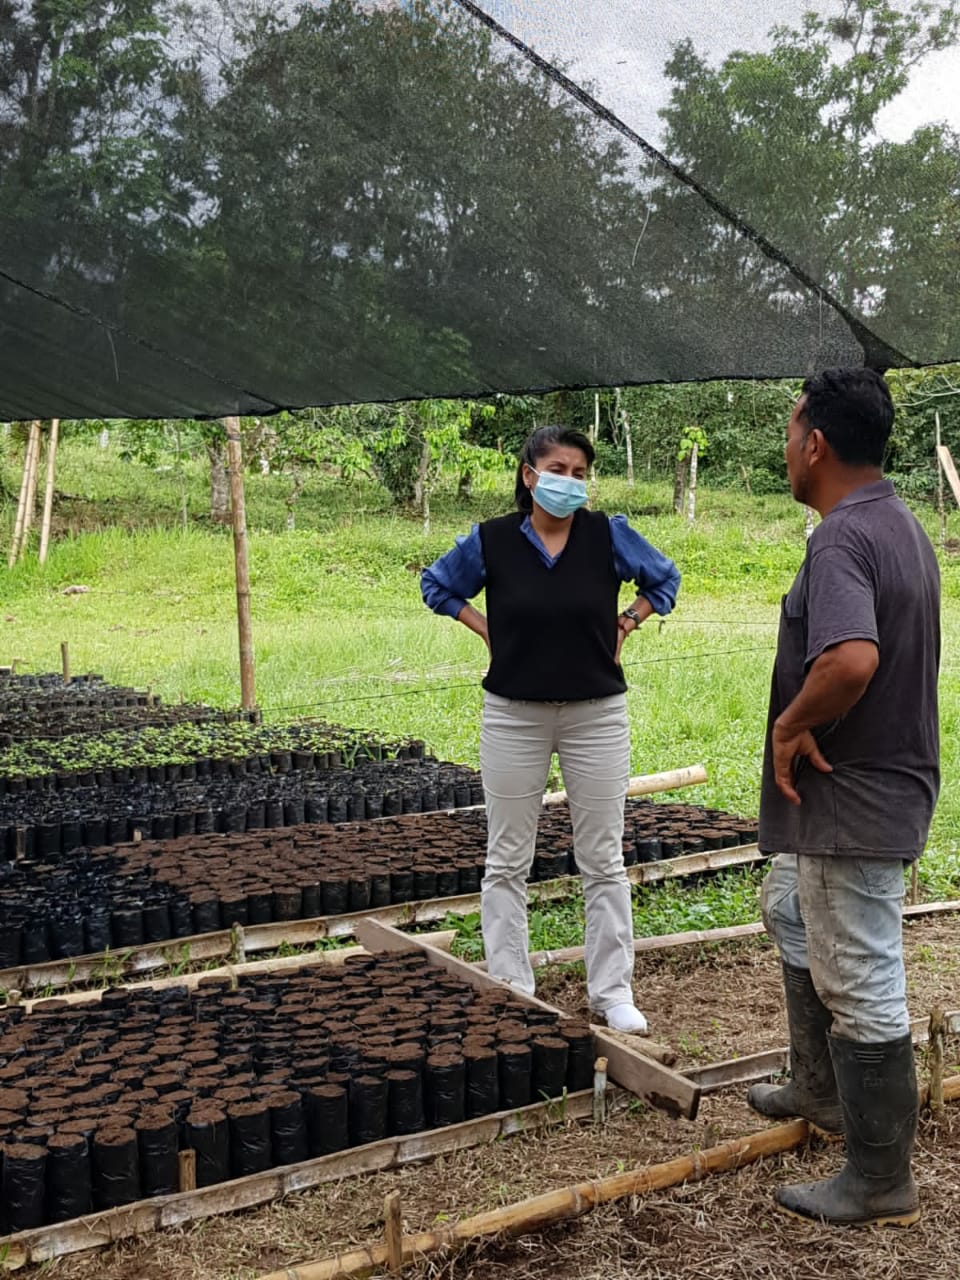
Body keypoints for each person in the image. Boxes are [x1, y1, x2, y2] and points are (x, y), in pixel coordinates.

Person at [750, 368, 940, 1227]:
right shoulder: (899, 521)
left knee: (861, 977)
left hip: (851, 797)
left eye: (791, 433)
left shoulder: (841, 540)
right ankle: (818, 1088)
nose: (787, 449)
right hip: (875, 786)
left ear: (816, 444)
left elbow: (852, 658)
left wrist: (792, 724)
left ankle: (879, 1179)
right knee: (789, 905)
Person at [421, 424, 680, 1034]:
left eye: (580, 473)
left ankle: (612, 993)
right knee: (507, 857)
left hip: (596, 715)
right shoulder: (491, 541)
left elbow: (663, 579)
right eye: (558, 469)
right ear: (529, 475)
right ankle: (512, 986)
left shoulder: (607, 535)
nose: (570, 481)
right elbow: (436, 584)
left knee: (603, 858)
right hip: (514, 714)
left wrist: (628, 620)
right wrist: (485, 627)